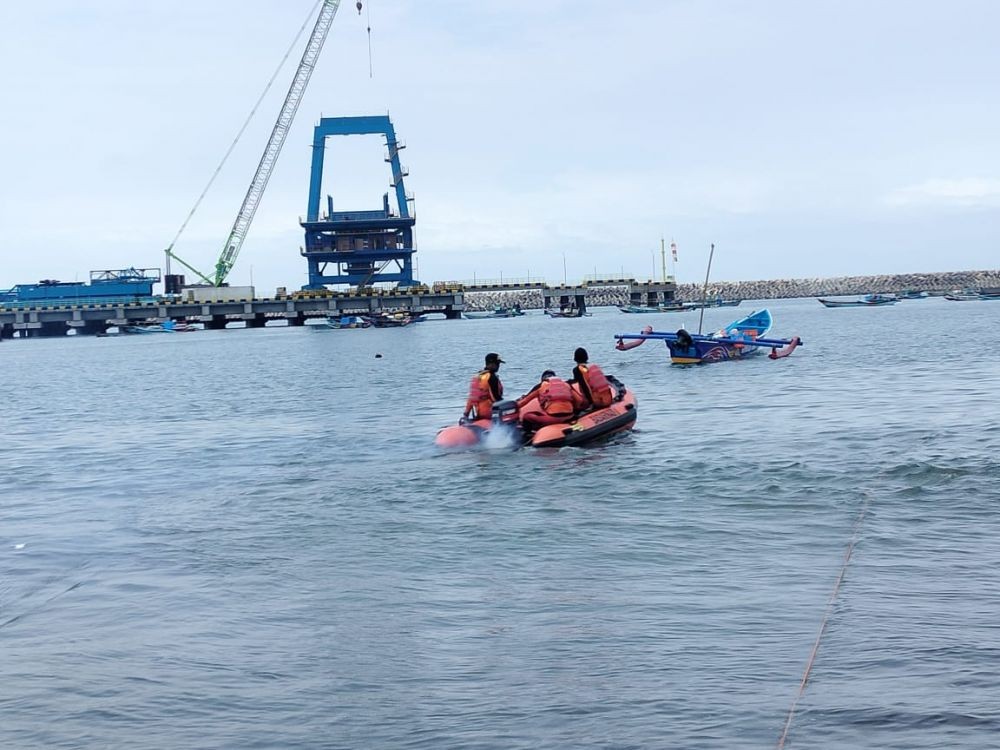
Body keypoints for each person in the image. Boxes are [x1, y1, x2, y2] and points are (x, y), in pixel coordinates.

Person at [462, 352, 505, 421]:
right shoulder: (492, 377)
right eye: (497, 363)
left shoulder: (477, 376)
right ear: (491, 364)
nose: (498, 366)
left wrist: (466, 414)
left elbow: (471, 398)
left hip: (478, 413)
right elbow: (496, 399)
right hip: (489, 413)